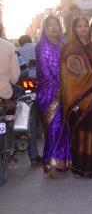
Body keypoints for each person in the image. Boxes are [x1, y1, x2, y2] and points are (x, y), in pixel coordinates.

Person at [60, 17, 92, 178]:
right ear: (74, 29)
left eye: (86, 26)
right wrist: (88, 84)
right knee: (81, 131)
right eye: (79, 26)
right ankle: (81, 168)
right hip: (79, 99)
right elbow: (68, 77)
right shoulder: (68, 49)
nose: (83, 29)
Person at [35, 15, 71, 177]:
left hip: (66, 90)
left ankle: (64, 161)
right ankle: (51, 165)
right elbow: (45, 71)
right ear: (45, 28)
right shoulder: (42, 46)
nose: (53, 28)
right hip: (50, 93)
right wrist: (59, 88)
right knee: (53, 128)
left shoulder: (64, 44)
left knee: (65, 127)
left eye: (56, 25)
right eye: (49, 25)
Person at [18, 35, 42, 167]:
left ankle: (33, 156)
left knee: (30, 117)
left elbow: (20, 72)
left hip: (26, 85)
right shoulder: (37, 47)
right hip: (41, 82)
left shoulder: (18, 51)